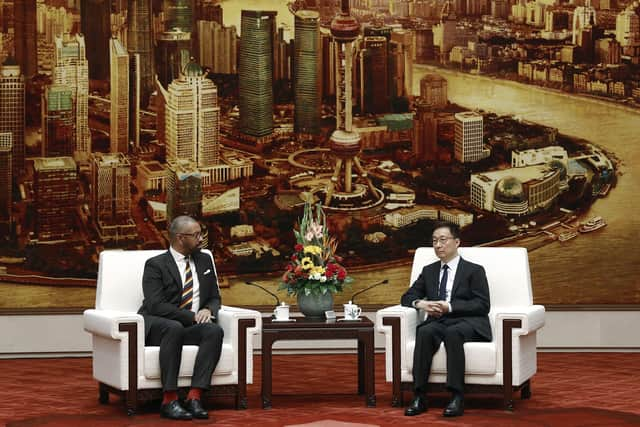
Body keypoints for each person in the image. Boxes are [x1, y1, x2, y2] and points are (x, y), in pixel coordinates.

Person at [401, 220, 491, 417]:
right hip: (439, 321)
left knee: (453, 332)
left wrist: (449, 306)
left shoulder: (474, 270)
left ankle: (457, 395)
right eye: (434, 241)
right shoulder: (429, 271)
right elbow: (407, 297)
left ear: (457, 242)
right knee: (424, 331)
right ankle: (419, 396)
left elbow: (483, 305)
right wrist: (421, 304)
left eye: (443, 240)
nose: (438, 245)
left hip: (468, 322)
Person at [138, 215, 224, 420]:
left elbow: (214, 297)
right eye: (195, 235)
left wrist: (209, 310)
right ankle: (169, 400)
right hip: (160, 325)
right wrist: (192, 316)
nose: (201, 238)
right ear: (180, 238)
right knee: (174, 327)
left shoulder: (204, 260)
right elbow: (155, 305)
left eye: (200, 233)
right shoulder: (155, 265)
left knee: (214, 330)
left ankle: (194, 397)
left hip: (188, 325)